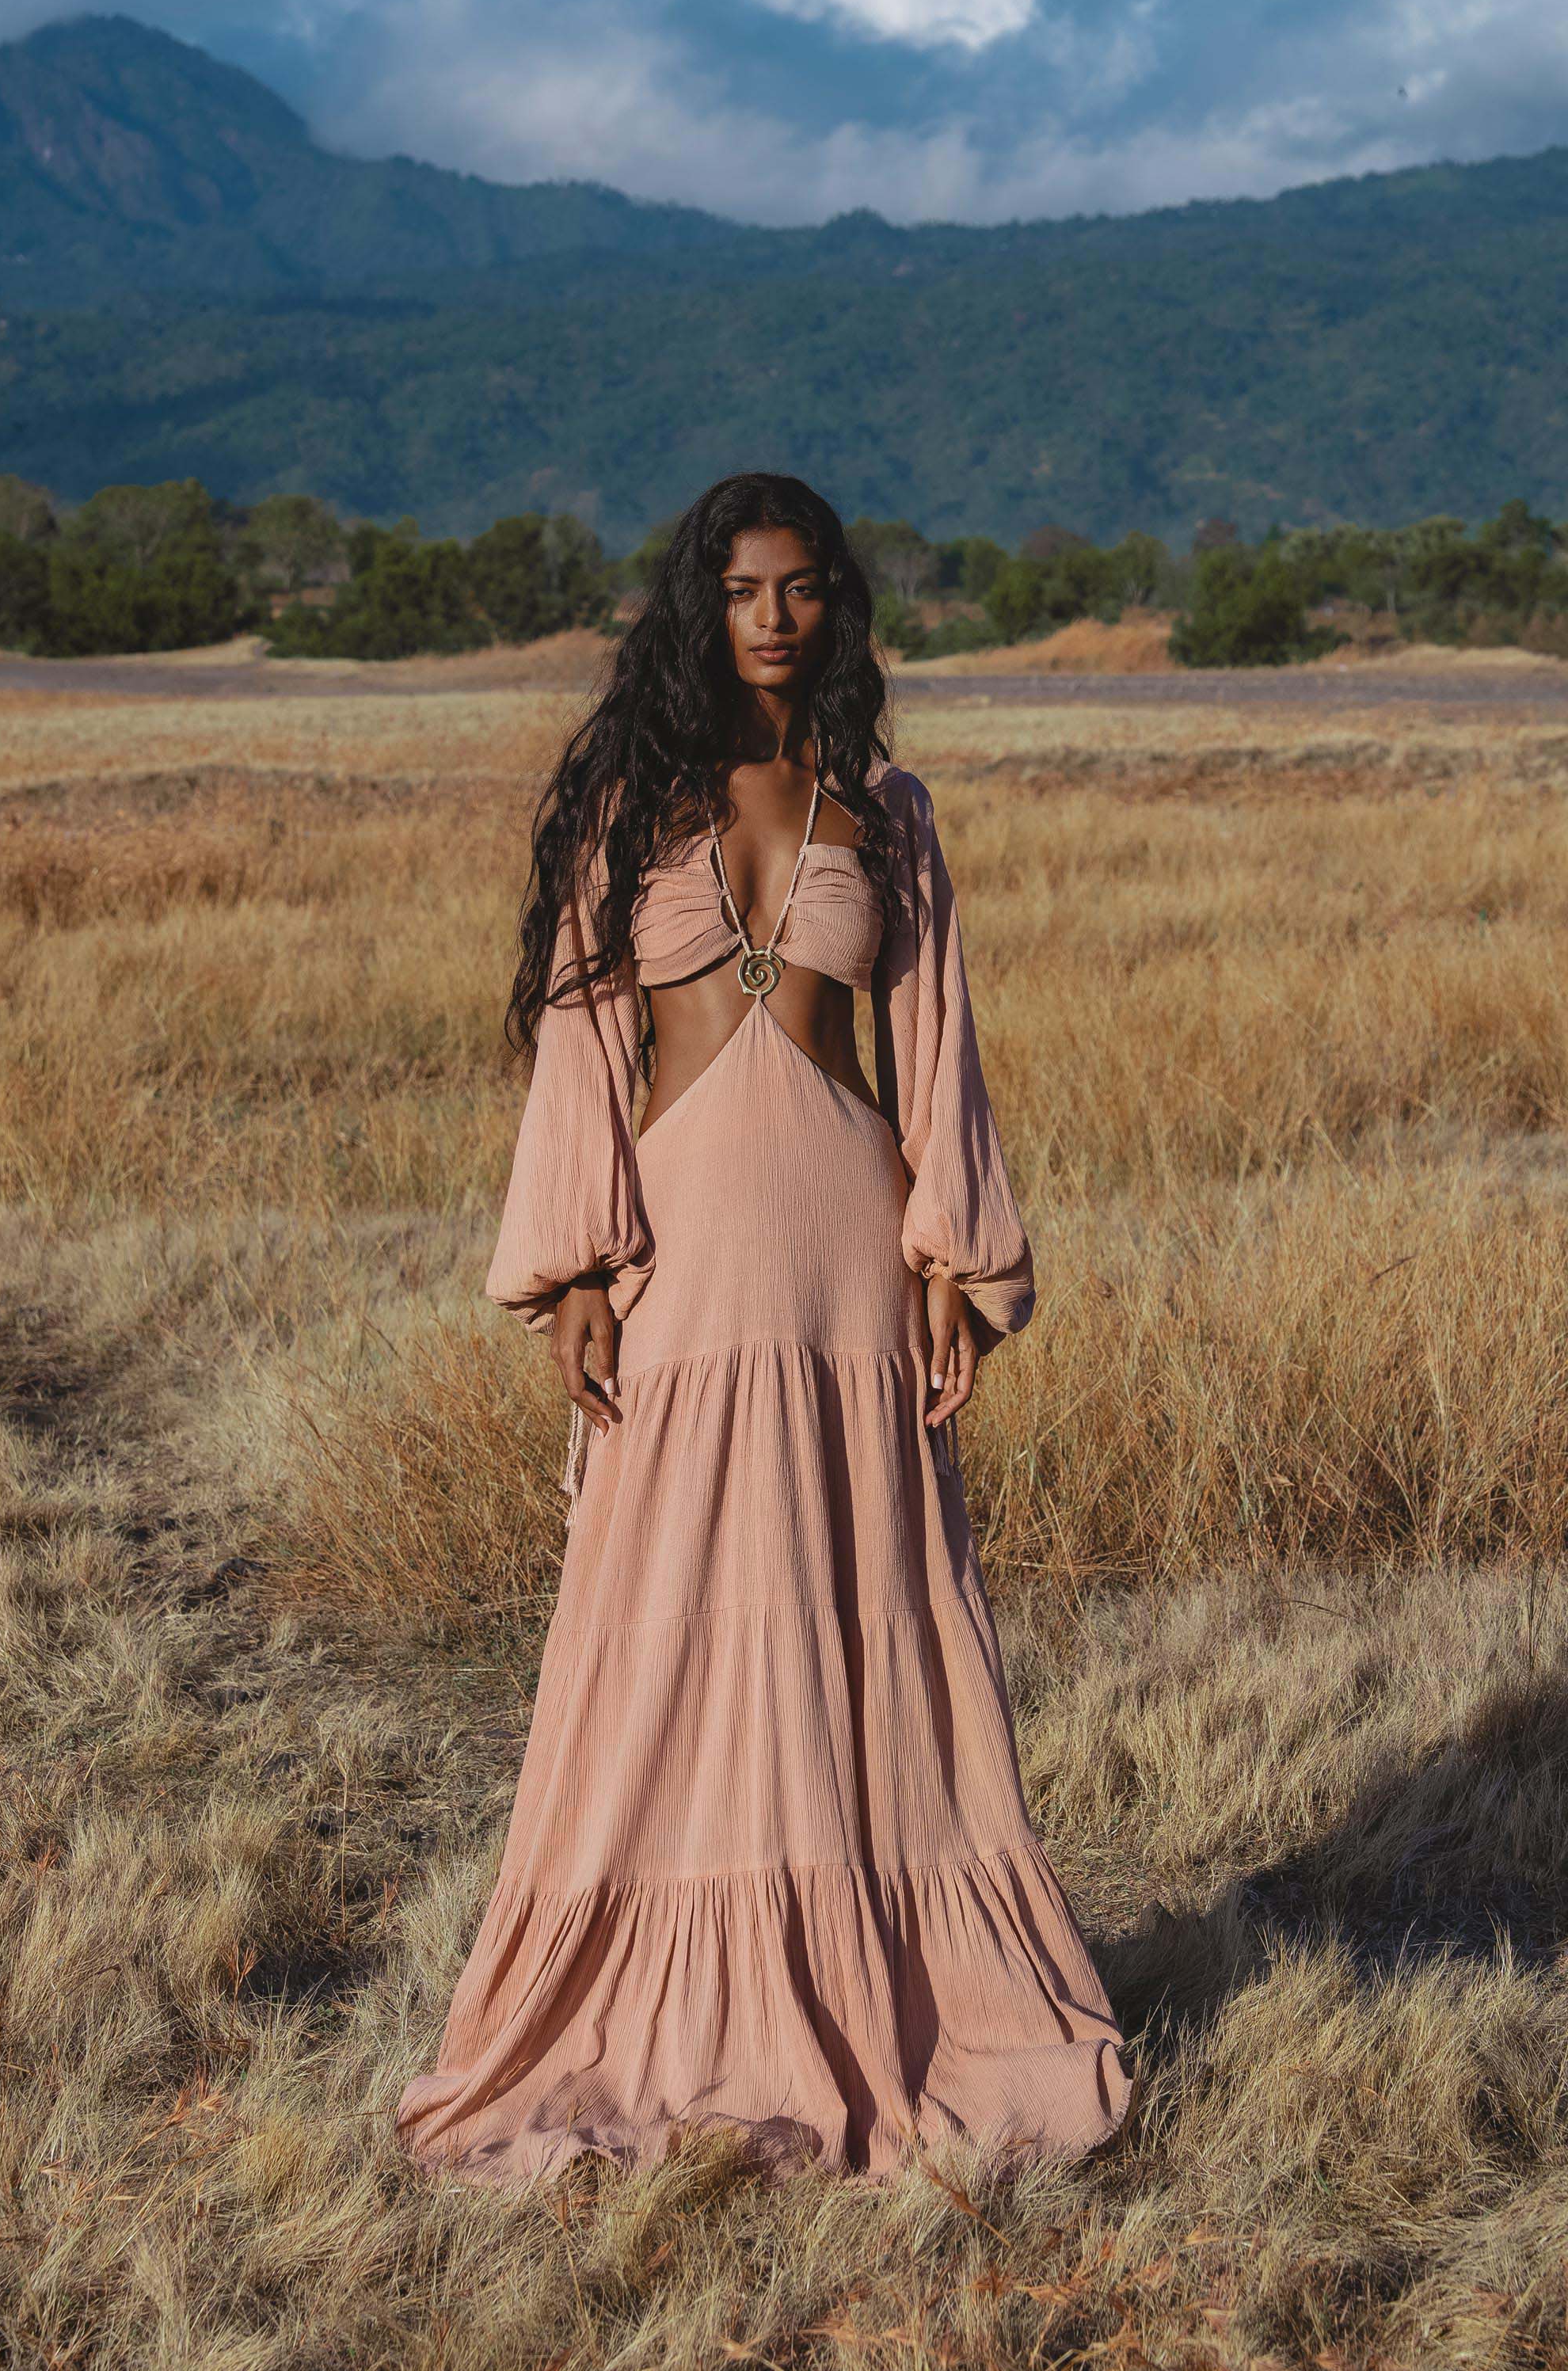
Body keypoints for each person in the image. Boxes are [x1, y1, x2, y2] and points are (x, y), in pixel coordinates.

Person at [395, 471, 1136, 2182]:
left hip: (844, 1259)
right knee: (662, 1615)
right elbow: (582, 1046)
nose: (774, 618)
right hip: (684, 1257)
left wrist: (950, 1266)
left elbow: (934, 1052)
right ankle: (666, 1992)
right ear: (701, 608)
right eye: (742, 591)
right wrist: (578, 1273)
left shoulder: (887, 812)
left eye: (799, 587)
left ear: (836, 605)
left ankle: (884, 1978)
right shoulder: (628, 804)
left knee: (860, 1607)